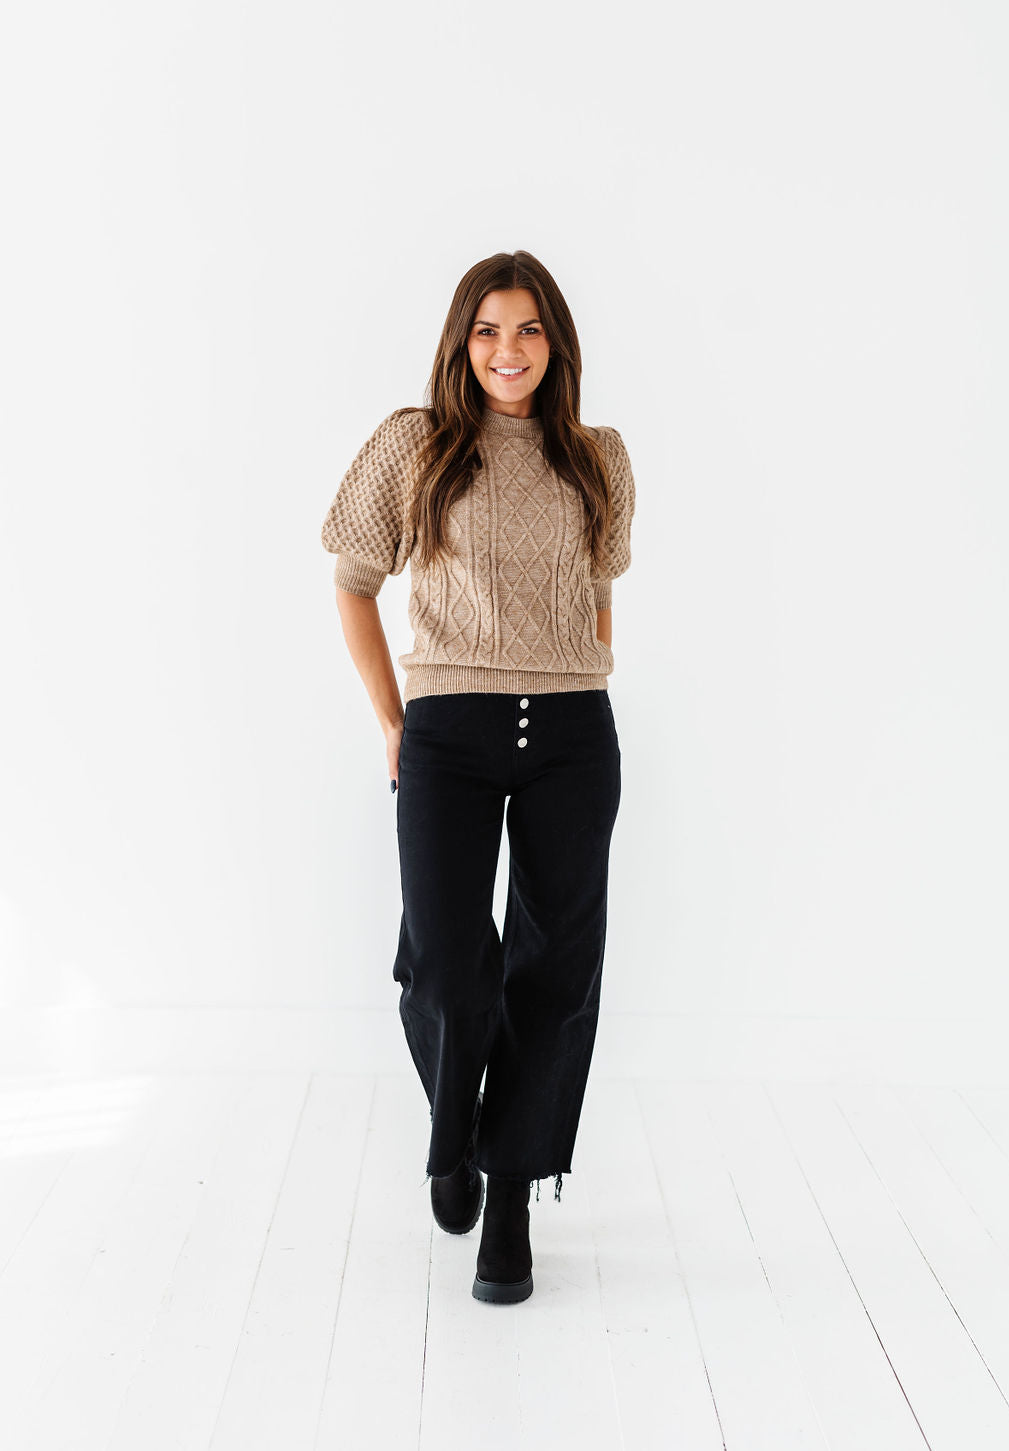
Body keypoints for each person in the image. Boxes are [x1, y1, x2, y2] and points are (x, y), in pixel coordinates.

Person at [320, 249, 635, 1304]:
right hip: (448, 731)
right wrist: (392, 720)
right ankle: (452, 1133)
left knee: (554, 972)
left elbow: (599, 591)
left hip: (571, 735)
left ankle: (507, 1198)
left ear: (557, 344)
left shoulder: (598, 457)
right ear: (462, 342)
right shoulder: (416, 445)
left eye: (530, 329)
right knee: (446, 966)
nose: (510, 350)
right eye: (490, 329)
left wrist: (579, 677)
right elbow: (353, 582)